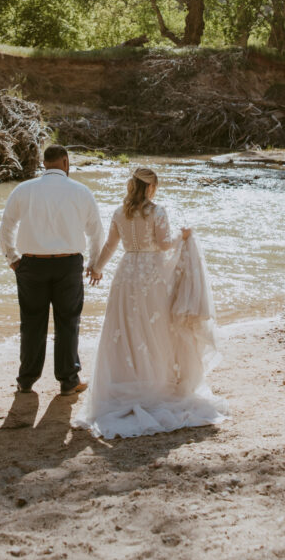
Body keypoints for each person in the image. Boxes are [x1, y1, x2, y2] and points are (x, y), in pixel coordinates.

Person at [74, 166, 228, 438]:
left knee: (125, 332)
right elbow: (165, 245)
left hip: (126, 274)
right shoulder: (157, 212)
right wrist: (184, 235)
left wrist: (97, 267)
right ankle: (156, 384)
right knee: (155, 331)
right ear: (150, 187)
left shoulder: (120, 212)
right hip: (151, 277)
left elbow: (110, 246)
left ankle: (127, 382)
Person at [0, 143, 104, 396]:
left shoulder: (24, 190)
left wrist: (12, 258)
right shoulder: (81, 191)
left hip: (31, 263)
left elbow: (6, 228)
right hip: (68, 264)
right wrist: (94, 263)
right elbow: (96, 232)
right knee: (68, 322)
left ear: (44, 163)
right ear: (66, 163)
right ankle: (68, 379)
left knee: (32, 321)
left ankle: (26, 379)